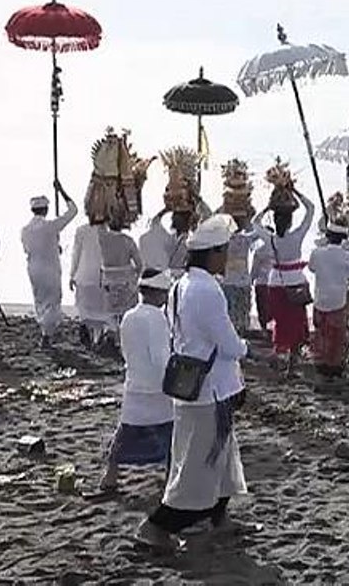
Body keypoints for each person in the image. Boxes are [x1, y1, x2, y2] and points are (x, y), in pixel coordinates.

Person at [138, 215, 249, 550]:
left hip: (194, 385)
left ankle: (220, 518)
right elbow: (227, 343)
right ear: (213, 254)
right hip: (210, 390)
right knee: (198, 470)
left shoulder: (180, 285)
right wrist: (245, 348)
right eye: (224, 251)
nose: (226, 258)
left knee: (220, 458)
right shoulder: (207, 290)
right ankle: (156, 527)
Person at [98, 268, 175, 493]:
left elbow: (127, 352)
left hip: (135, 384)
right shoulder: (157, 318)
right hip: (157, 388)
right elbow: (161, 357)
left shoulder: (129, 316)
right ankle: (170, 478)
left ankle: (110, 477)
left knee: (126, 433)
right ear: (158, 293)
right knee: (170, 434)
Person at [253, 190, 316, 369]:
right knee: (296, 321)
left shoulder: (270, 239)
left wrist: (267, 207)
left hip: (276, 283)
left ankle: (279, 354)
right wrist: (295, 192)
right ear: (290, 221)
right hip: (295, 282)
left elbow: (254, 222)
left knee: (281, 321)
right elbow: (311, 209)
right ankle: (292, 362)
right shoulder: (297, 236)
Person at [20, 182, 79, 347]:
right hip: (49, 267)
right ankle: (47, 334)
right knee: (53, 301)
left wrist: (54, 245)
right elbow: (73, 211)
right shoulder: (51, 226)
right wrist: (62, 191)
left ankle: (46, 330)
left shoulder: (25, 230)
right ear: (45, 210)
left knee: (40, 300)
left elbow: (29, 248)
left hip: (33, 267)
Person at [71, 214, 142, 350]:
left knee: (109, 312)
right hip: (125, 281)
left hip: (108, 281)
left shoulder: (102, 238)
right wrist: (135, 276)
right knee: (124, 313)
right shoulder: (127, 240)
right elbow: (139, 264)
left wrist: (73, 274)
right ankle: (117, 339)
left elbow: (79, 254)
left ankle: (105, 335)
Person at [308, 223, 349, 376]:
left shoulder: (317, 253)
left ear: (327, 237)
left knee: (321, 333)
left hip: (319, 300)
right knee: (336, 336)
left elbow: (311, 268)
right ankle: (334, 364)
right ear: (343, 239)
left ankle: (321, 362)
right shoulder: (348, 257)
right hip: (338, 301)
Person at [222, 216, 258, 334]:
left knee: (229, 314)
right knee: (243, 314)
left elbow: (210, 218)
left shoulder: (223, 241)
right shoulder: (245, 239)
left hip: (228, 281)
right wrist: (252, 218)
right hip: (242, 282)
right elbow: (259, 231)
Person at [250, 233, 275, 336]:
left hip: (261, 282)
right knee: (273, 306)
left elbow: (255, 268)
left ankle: (264, 329)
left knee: (262, 307)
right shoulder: (277, 249)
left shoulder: (259, 250)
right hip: (274, 282)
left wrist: (251, 278)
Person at [139, 209, 175, 273]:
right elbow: (172, 253)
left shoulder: (142, 238)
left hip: (148, 271)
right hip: (163, 270)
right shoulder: (167, 236)